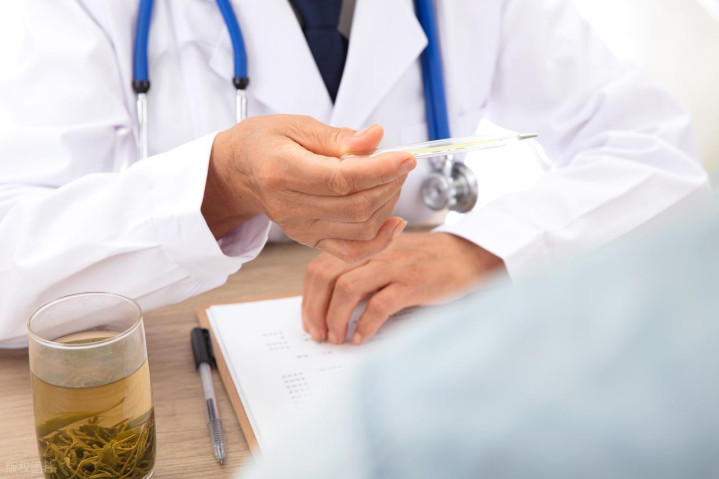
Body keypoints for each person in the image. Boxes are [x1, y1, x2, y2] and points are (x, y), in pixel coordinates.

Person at [0, 0, 710, 347]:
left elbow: (662, 159)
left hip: (409, 333)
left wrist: (483, 249)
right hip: (191, 344)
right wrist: (218, 186)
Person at [247, 200, 719, 479]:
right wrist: (225, 177)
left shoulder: (395, 421)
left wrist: (475, 250)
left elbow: (651, 149)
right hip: (245, 273)